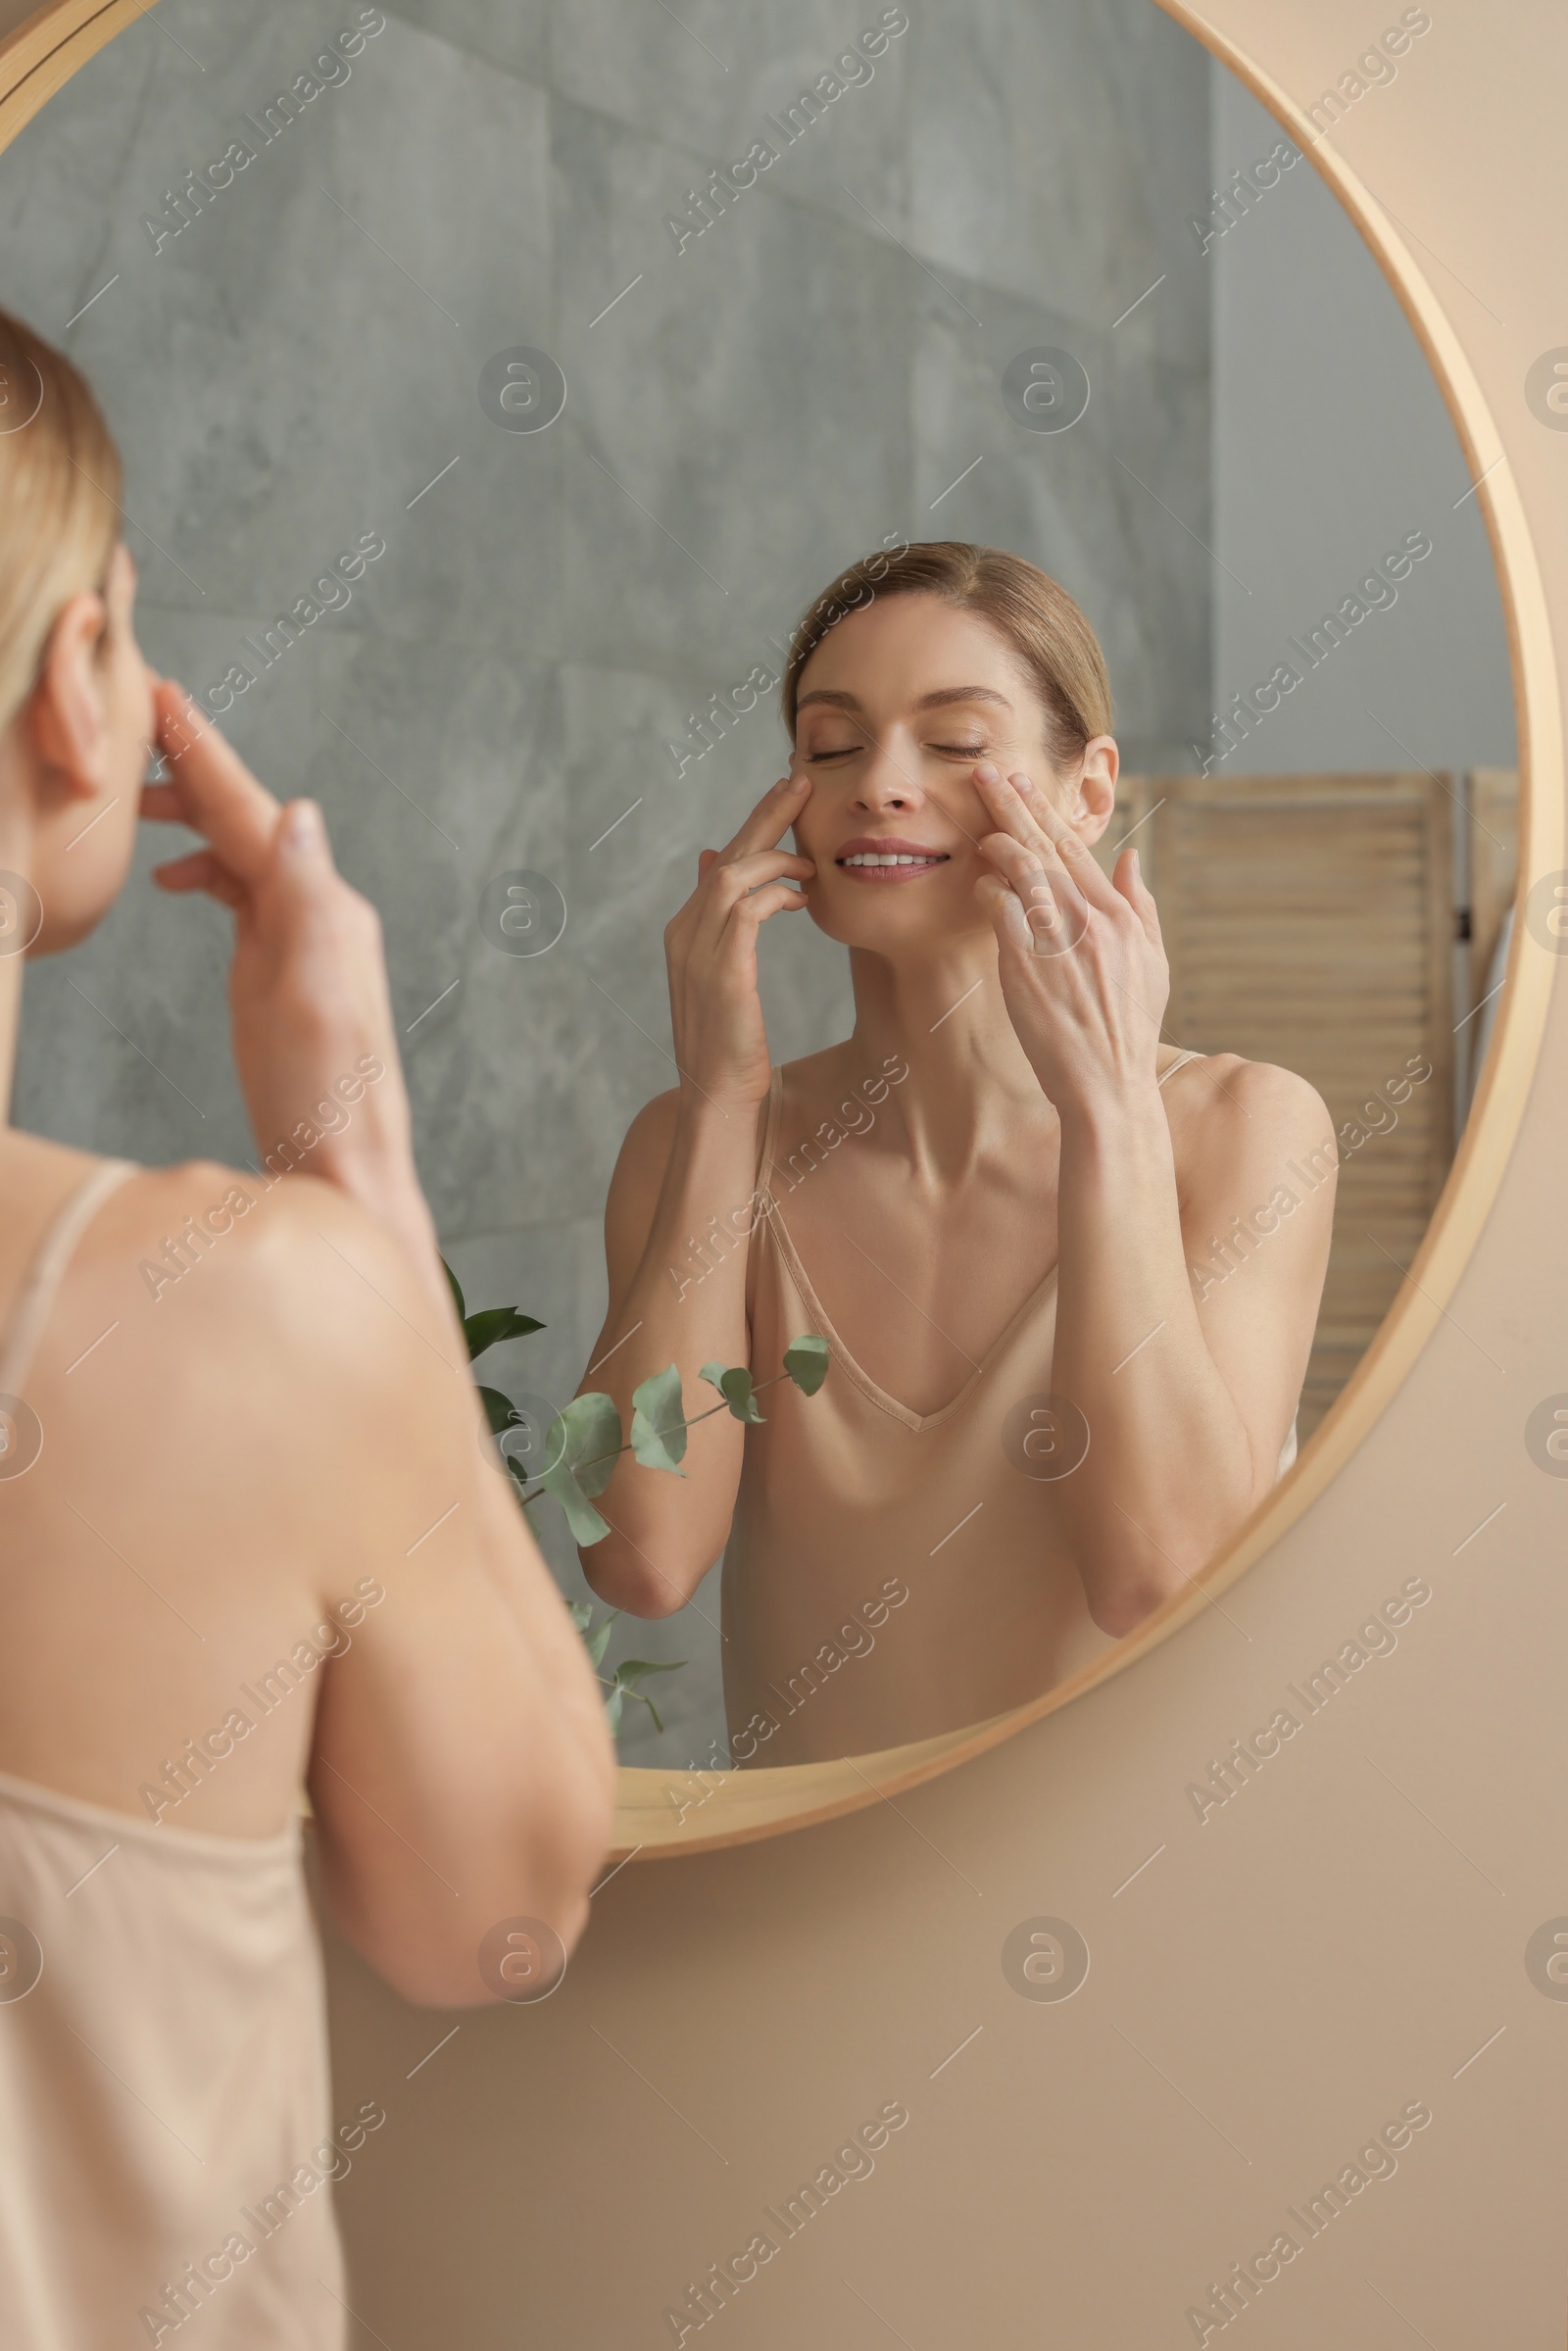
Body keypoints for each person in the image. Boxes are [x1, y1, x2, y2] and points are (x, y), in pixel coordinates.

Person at [0, 311, 613, 2346]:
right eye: (121, 625)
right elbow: (496, 1911)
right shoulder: (231, 1315)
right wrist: (360, 1164)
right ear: (78, 695)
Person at [581, 542, 1336, 1764]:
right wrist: (721, 1101)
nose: (877, 784)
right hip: (806, 1917)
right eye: (829, 745)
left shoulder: (1242, 1130)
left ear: (1086, 794)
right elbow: (640, 1555)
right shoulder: (691, 1142)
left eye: (953, 740)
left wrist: (1107, 1110)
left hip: (1145, 1909)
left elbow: (1161, 1574)